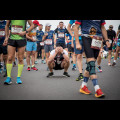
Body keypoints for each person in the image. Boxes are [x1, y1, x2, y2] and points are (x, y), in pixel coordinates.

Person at [74, 20, 111, 98]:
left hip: (97, 39)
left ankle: (83, 86)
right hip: (86, 37)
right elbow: (76, 27)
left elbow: (103, 27)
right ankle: (97, 89)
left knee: (91, 63)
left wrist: (107, 40)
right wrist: (77, 42)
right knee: (91, 63)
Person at [3, 20, 34, 85]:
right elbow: (7, 26)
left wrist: (25, 32)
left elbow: (32, 25)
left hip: (21, 39)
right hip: (12, 38)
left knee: (20, 58)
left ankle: (18, 78)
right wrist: (6, 37)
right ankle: (8, 77)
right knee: (9, 58)